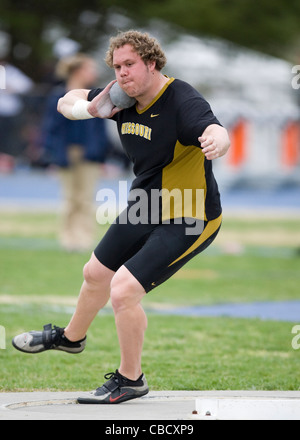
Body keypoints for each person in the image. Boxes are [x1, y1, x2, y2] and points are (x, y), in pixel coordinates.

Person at [12, 31, 230, 404]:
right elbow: (68, 101)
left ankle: (131, 379)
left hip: (189, 212)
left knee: (124, 290)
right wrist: (90, 107)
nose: (123, 73)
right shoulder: (121, 97)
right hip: (145, 205)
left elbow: (213, 128)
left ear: (152, 63)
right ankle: (71, 337)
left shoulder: (181, 98)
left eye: (130, 65)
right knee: (94, 274)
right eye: (116, 66)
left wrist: (217, 140)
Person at [42, 54, 111, 251]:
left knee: (86, 198)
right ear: (78, 71)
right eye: (90, 69)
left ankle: (85, 240)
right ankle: (68, 240)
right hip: (67, 152)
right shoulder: (58, 96)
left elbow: (100, 129)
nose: (94, 73)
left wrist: (101, 153)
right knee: (70, 198)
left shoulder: (95, 96)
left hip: (90, 153)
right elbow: (52, 129)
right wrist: (56, 155)